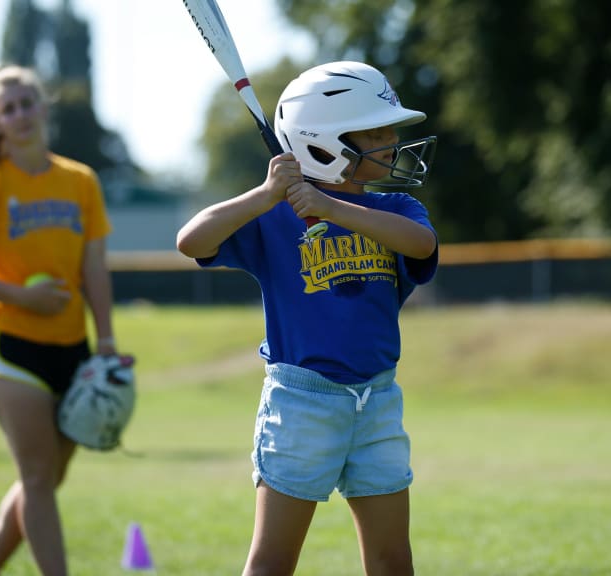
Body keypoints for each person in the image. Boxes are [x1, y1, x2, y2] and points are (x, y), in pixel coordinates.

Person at [176, 60, 439, 576]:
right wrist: (266, 195)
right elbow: (192, 240)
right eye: (377, 131)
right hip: (302, 403)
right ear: (326, 141)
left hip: (378, 400)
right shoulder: (274, 214)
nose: (392, 141)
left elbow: (422, 244)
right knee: (273, 560)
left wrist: (330, 206)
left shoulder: (398, 211)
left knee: (392, 560)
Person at [0, 64, 119, 576]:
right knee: (38, 478)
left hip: (73, 349)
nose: (20, 115)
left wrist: (105, 339)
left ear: (44, 107)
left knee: (42, 478)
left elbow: (94, 269)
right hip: (11, 346)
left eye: (26, 103)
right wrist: (22, 296)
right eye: (7, 109)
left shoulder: (80, 181)